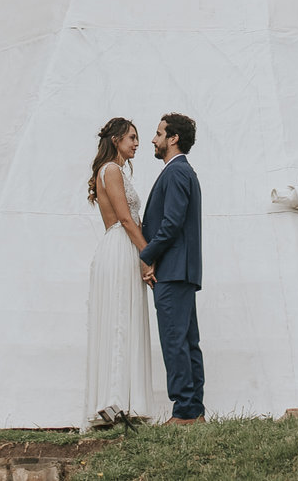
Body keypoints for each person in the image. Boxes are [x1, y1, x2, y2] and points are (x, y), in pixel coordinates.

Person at [83, 118, 169, 427]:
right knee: (120, 319)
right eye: (131, 137)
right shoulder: (112, 170)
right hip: (121, 245)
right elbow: (126, 219)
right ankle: (114, 402)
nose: (136, 143)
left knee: (124, 319)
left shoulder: (109, 171)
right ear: (117, 138)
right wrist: (147, 256)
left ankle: (122, 402)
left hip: (119, 245)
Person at [136, 112, 204, 423]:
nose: (153, 139)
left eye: (158, 133)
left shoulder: (176, 173)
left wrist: (146, 256)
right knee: (188, 341)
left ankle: (185, 412)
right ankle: (194, 411)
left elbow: (172, 222)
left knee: (175, 340)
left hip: (173, 270)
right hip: (183, 270)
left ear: (172, 138)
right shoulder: (183, 172)